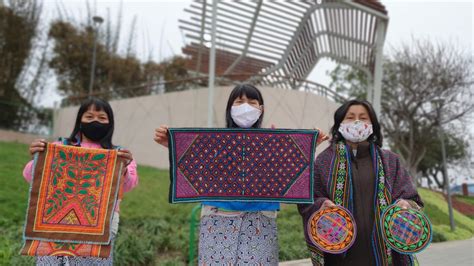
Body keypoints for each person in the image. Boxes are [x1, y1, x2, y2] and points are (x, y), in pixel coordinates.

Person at [155, 84, 327, 265]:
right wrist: (171, 143)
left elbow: (292, 165)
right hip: (217, 218)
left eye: (252, 102)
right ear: (230, 108)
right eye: (239, 101)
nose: (246, 106)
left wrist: (309, 145)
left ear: (261, 109)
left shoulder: (273, 141)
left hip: (260, 220)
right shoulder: (212, 141)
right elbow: (193, 160)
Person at [298, 99, 423, 266]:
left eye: (363, 118)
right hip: (339, 258)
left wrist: (405, 205)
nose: (357, 122)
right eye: (350, 117)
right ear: (339, 124)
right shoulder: (324, 161)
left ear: (373, 125)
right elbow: (307, 200)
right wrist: (322, 204)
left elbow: (413, 199)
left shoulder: (390, 161)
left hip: (385, 257)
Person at [23, 97, 138, 266]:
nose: (95, 121)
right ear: (80, 121)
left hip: (100, 223)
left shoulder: (119, 155)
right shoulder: (60, 147)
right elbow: (30, 176)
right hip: (56, 222)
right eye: (89, 117)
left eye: (102, 118)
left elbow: (129, 185)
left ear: (110, 123)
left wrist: (124, 168)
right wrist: (38, 157)